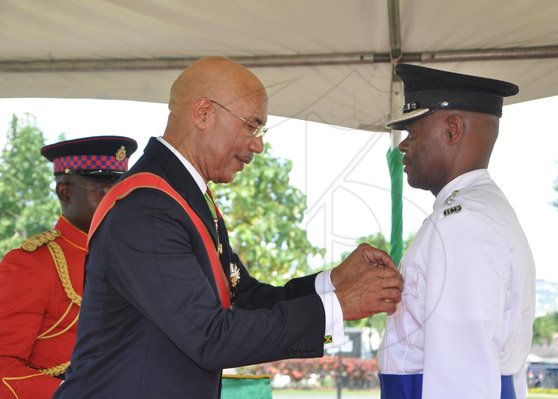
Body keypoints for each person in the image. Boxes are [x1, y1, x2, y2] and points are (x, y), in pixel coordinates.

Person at [53, 56, 403, 399]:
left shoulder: (184, 198)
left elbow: (245, 298)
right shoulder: (148, 207)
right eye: (251, 125)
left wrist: (334, 283)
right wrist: (339, 306)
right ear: (204, 112)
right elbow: (209, 337)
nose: (259, 144)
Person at [378, 64, 536, 399]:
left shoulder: (464, 224)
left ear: (452, 130)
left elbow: (462, 375)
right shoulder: (477, 211)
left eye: (413, 133)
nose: (402, 147)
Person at [0, 135, 137, 398]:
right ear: (65, 192)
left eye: (121, 192)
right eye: (103, 191)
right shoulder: (33, 264)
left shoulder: (135, 257)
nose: (116, 202)